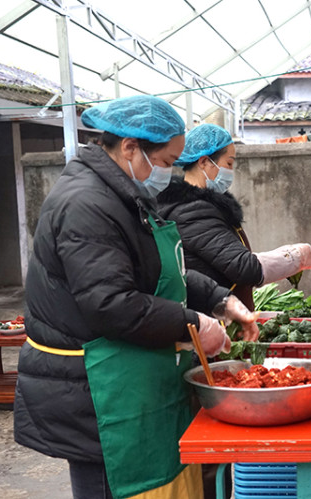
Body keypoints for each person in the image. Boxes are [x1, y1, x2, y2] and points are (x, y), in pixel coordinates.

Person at [14, 95, 258, 499]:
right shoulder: (86, 204)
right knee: (111, 485)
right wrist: (195, 324)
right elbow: (111, 304)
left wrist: (220, 300)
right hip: (96, 387)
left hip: (131, 375)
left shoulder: (127, 194)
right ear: (130, 147)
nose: (168, 173)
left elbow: (163, 269)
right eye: (164, 162)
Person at [157, 123, 311, 310]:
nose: (231, 170)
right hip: (215, 317)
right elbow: (244, 268)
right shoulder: (192, 212)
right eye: (229, 163)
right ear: (204, 162)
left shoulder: (204, 207)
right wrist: (294, 257)